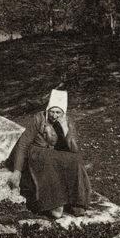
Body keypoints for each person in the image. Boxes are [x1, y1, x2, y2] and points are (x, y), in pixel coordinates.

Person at [9, 89, 91, 219]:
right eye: (52, 111)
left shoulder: (68, 121)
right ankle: (54, 205)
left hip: (54, 153)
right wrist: (17, 170)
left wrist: (65, 128)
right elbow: (24, 143)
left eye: (58, 112)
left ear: (63, 113)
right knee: (50, 160)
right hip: (37, 152)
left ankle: (77, 202)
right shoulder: (39, 118)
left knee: (75, 160)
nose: (54, 115)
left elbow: (74, 150)